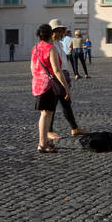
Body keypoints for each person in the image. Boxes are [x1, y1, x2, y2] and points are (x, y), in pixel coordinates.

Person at [31, 22, 69, 153]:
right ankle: (42, 144)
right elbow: (57, 70)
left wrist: (38, 78)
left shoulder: (35, 48)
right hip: (48, 86)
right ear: (50, 34)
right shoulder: (50, 49)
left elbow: (32, 68)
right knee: (46, 114)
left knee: (47, 113)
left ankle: (45, 141)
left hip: (38, 84)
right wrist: (65, 87)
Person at [46, 19, 86, 139]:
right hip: (55, 76)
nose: (63, 33)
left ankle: (74, 128)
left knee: (66, 103)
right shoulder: (50, 45)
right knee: (52, 105)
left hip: (63, 74)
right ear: (55, 32)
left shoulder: (59, 43)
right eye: (60, 31)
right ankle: (49, 131)